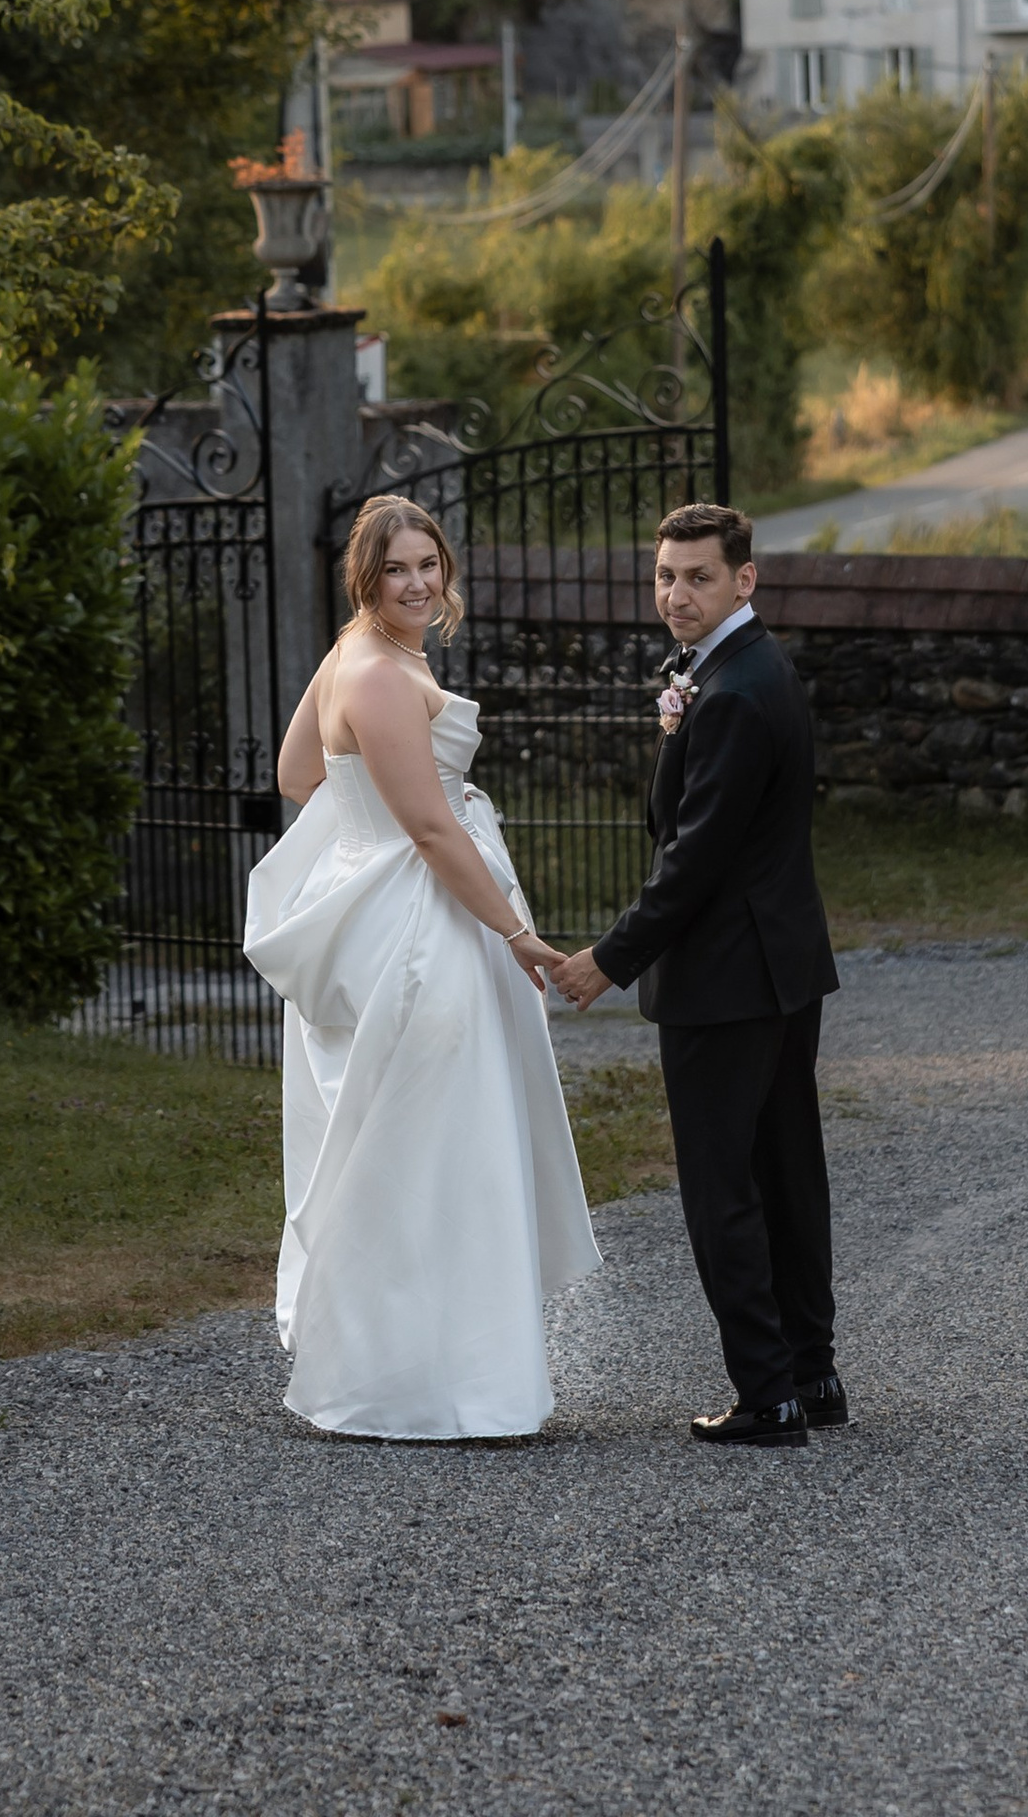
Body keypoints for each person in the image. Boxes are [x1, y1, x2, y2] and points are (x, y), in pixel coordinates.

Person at [244, 493, 597, 1439]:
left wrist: (365, 814)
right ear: (367, 576)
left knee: (408, 1138)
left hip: (388, 911)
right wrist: (518, 935)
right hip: (418, 932)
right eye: (396, 569)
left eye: (426, 565)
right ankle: (439, 1387)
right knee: (439, 1145)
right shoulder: (385, 676)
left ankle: (424, 1371)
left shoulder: (352, 656)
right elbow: (432, 829)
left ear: (444, 571)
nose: (415, 583)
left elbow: (296, 776)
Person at [545, 502, 842, 1449]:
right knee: (786, 1171)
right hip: (780, 965)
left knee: (726, 1189)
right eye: (666, 575)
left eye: (699, 576)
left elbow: (695, 859)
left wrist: (609, 960)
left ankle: (768, 1396)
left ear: (744, 580)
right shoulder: (741, 669)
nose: (677, 593)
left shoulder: (739, 691)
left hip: (727, 977)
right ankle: (811, 1375)